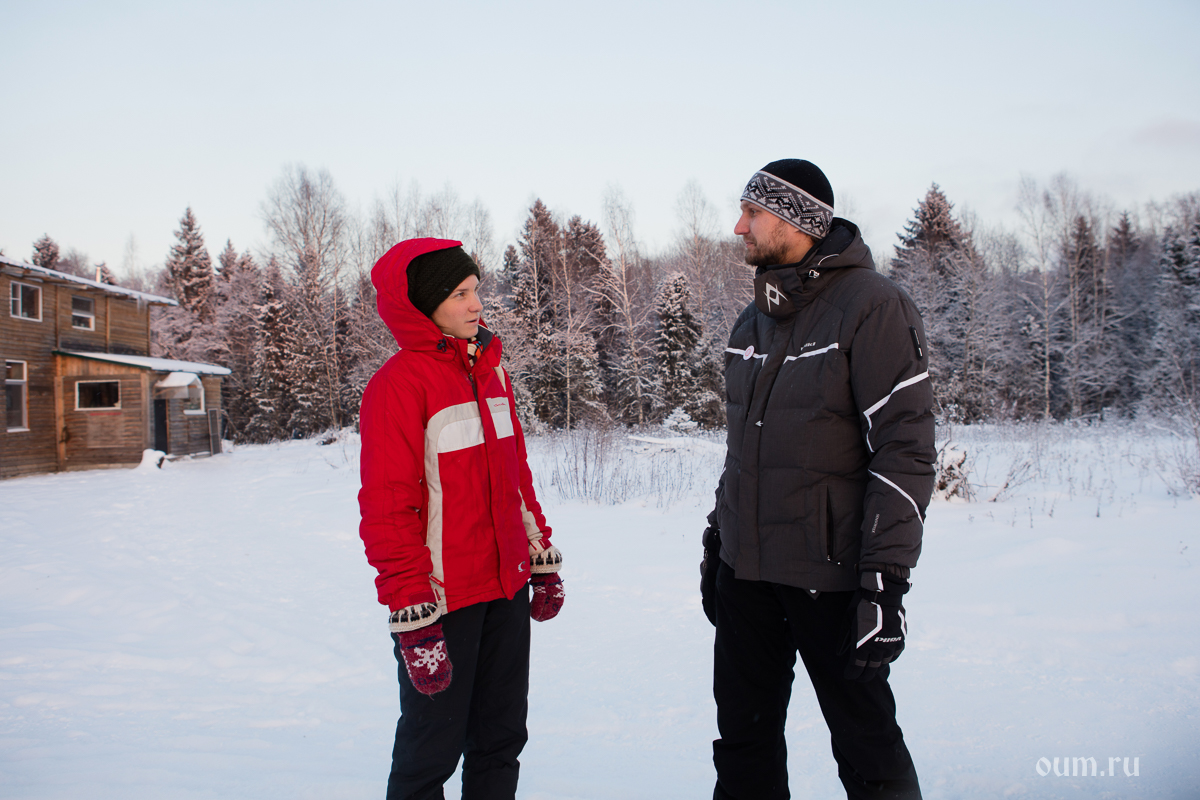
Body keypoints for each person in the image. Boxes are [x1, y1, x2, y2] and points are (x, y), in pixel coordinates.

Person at [700, 160, 935, 800]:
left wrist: (884, 581)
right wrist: (719, 539)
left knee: (867, 747)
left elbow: (905, 451)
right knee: (742, 746)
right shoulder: (751, 320)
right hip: (747, 575)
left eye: (752, 213)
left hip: (830, 577)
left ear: (797, 220)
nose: (739, 227)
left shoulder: (873, 307)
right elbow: (745, 448)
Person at [358, 238, 564, 800]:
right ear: (424, 304)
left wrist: (539, 554)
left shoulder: (493, 373)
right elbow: (387, 508)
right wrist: (412, 612)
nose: (476, 304)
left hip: (506, 588)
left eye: (475, 290)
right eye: (459, 294)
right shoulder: (398, 385)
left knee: (501, 739)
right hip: (444, 599)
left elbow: (516, 478)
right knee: (431, 751)